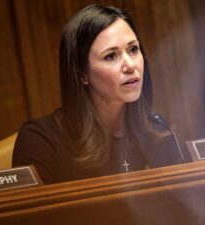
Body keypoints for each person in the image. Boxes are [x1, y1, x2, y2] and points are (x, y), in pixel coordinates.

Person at [13, 4, 182, 184]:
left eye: (133, 50)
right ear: (81, 73)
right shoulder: (40, 141)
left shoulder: (158, 131)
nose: (130, 65)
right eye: (111, 56)